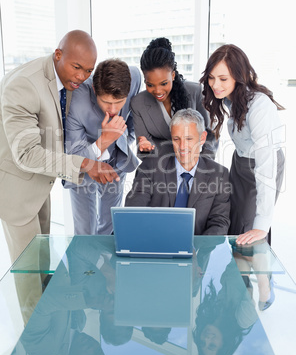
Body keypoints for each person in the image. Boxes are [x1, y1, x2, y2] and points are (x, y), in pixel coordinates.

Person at [0, 30, 119, 262]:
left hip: (40, 184)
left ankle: (45, 298)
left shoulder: (70, 83)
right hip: (16, 191)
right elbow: (25, 153)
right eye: (76, 67)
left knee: (42, 264)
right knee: (28, 273)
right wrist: (86, 163)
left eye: (88, 70)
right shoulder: (24, 85)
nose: (82, 76)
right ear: (57, 55)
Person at [200, 44, 285, 245]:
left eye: (223, 79)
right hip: (239, 163)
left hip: (262, 165)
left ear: (239, 77)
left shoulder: (259, 105)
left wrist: (262, 224)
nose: (215, 85)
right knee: (234, 220)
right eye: (211, 77)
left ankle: (261, 274)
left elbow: (266, 165)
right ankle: (236, 272)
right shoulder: (229, 98)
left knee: (252, 229)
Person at [65, 59, 141, 235]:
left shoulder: (135, 77)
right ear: (94, 90)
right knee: (85, 231)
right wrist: (105, 139)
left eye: (119, 102)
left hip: (116, 162)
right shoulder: (76, 101)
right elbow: (75, 159)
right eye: (106, 102)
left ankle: (107, 263)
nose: (113, 109)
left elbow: (134, 112)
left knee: (110, 225)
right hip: (84, 164)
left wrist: (126, 137)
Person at [125, 108, 231, 235]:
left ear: (202, 138)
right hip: (155, 243)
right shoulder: (149, 167)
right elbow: (134, 213)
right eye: (176, 139)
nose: (182, 147)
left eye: (189, 139)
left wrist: (198, 250)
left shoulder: (219, 174)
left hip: (197, 248)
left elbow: (219, 222)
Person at [130, 37, 217, 158]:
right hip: (159, 170)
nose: (158, 91)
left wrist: (199, 169)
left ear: (173, 75)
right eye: (150, 85)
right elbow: (145, 150)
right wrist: (146, 148)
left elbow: (210, 136)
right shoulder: (138, 103)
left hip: (197, 167)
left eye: (164, 83)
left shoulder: (195, 91)